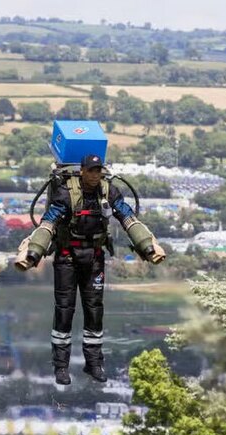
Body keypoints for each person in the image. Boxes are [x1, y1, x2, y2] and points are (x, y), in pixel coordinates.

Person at [14, 154, 165, 385]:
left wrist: (147, 246)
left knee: (94, 311)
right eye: (91, 170)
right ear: (83, 171)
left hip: (94, 257)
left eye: (98, 170)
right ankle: (61, 367)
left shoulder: (108, 192)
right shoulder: (66, 193)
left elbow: (127, 216)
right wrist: (33, 253)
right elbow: (48, 222)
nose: (95, 175)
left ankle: (94, 363)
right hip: (67, 257)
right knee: (64, 310)